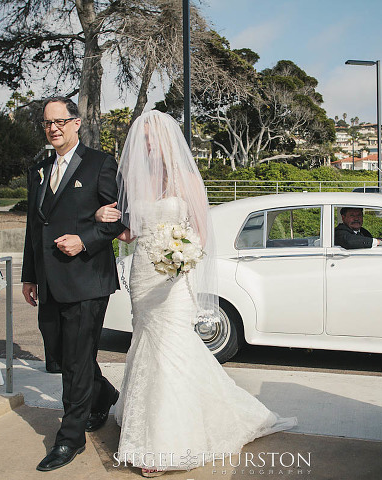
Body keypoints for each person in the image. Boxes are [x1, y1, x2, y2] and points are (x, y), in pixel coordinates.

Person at [95, 110, 296, 477]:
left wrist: (181, 257)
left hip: (172, 276)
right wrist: (106, 221)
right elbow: (130, 234)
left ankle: (165, 443)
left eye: (153, 134)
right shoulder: (138, 181)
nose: (147, 141)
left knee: (171, 348)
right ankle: (142, 424)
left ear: (168, 138)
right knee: (144, 342)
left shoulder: (187, 177)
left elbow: (201, 233)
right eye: (143, 136)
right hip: (143, 273)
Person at [21, 97, 126, 472]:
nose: (54, 128)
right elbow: (35, 226)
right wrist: (29, 275)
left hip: (87, 279)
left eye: (60, 121)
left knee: (77, 363)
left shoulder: (100, 163)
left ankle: (70, 439)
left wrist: (83, 238)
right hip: (48, 281)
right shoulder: (38, 168)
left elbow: (118, 219)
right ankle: (105, 396)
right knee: (63, 357)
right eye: (48, 123)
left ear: (76, 123)